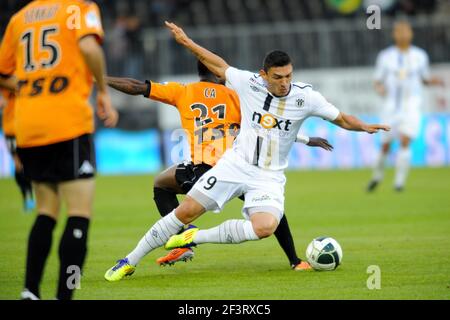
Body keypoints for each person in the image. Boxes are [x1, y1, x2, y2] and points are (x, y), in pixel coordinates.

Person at [104, 21, 389, 281]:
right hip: (234, 164)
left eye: (289, 75)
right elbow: (218, 64)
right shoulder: (246, 84)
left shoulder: (306, 97)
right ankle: (128, 260)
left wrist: (364, 126)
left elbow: (341, 118)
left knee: (265, 227)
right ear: (263, 75)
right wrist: (187, 42)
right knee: (185, 211)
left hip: (269, 176)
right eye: (278, 77)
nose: (285, 82)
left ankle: (194, 238)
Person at [105, 61, 333, 269]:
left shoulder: (182, 91)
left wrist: (102, 79)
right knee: (272, 210)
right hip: (239, 167)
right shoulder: (237, 96)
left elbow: (136, 86)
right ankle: (294, 260)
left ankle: (183, 240)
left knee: (161, 184)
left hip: (204, 170)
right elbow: (268, 126)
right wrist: (306, 139)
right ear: (219, 75)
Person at [0, 0, 118, 300]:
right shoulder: (78, 8)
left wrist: (29, 86)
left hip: (29, 126)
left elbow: (2, 72)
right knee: (79, 214)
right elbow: (90, 49)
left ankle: (30, 290)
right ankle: (65, 294)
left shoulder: (19, 18)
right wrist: (103, 91)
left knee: (45, 213)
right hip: (68, 122)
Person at [367, 20, 444, 192]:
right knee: (385, 145)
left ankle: (399, 183)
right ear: (394, 34)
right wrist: (379, 88)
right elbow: (377, 80)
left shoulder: (420, 56)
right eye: (399, 31)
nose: (402, 34)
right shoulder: (385, 56)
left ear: (411, 34)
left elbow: (424, 79)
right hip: (390, 107)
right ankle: (377, 176)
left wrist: (435, 81)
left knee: (405, 140)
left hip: (411, 106)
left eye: (405, 31)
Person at [1, 88, 35, 212]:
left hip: (22, 127)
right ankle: (27, 196)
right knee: (19, 165)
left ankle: (30, 194)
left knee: (25, 164)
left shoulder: (22, 80)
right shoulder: (5, 82)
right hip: (12, 130)